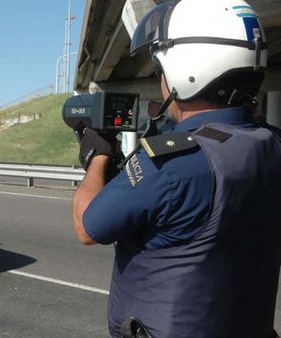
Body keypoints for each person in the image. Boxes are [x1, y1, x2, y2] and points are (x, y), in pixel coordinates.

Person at [72, 0, 281, 337]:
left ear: (188, 69)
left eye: (161, 71)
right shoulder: (271, 143)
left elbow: (87, 226)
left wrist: (97, 157)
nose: (161, 81)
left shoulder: (172, 163)